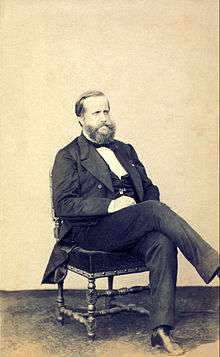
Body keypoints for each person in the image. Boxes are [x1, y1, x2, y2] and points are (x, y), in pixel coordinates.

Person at [42, 90, 219, 355]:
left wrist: (142, 212)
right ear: (80, 119)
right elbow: (64, 206)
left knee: (162, 240)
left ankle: (160, 331)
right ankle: (214, 263)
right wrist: (111, 205)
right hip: (93, 231)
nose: (104, 118)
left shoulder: (125, 150)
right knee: (154, 211)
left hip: (130, 225)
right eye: (96, 113)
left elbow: (149, 189)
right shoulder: (68, 156)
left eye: (106, 111)